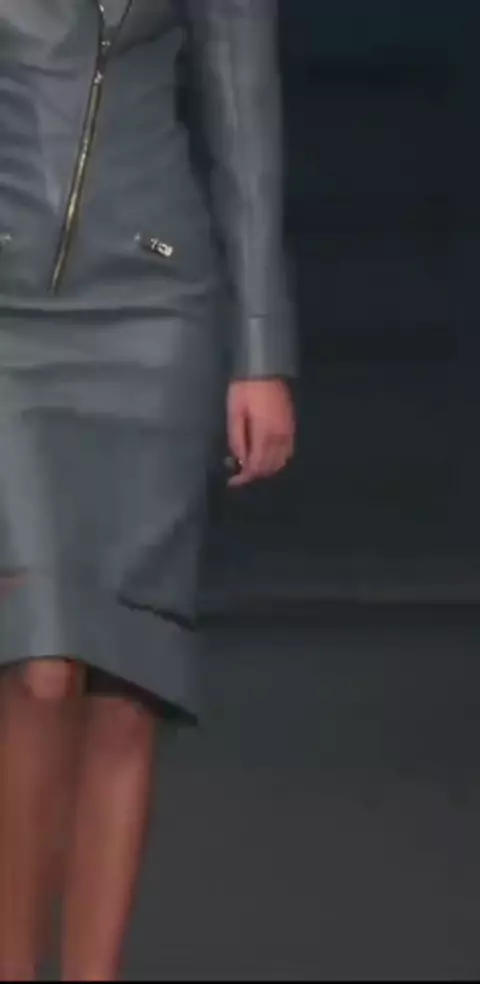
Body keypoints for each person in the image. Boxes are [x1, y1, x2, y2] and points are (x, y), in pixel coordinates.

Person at [0, 0, 296, 979]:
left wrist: (261, 352)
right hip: (7, 319)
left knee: (130, 686)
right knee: (39, 669)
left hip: (157, 303)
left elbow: (245, 119)